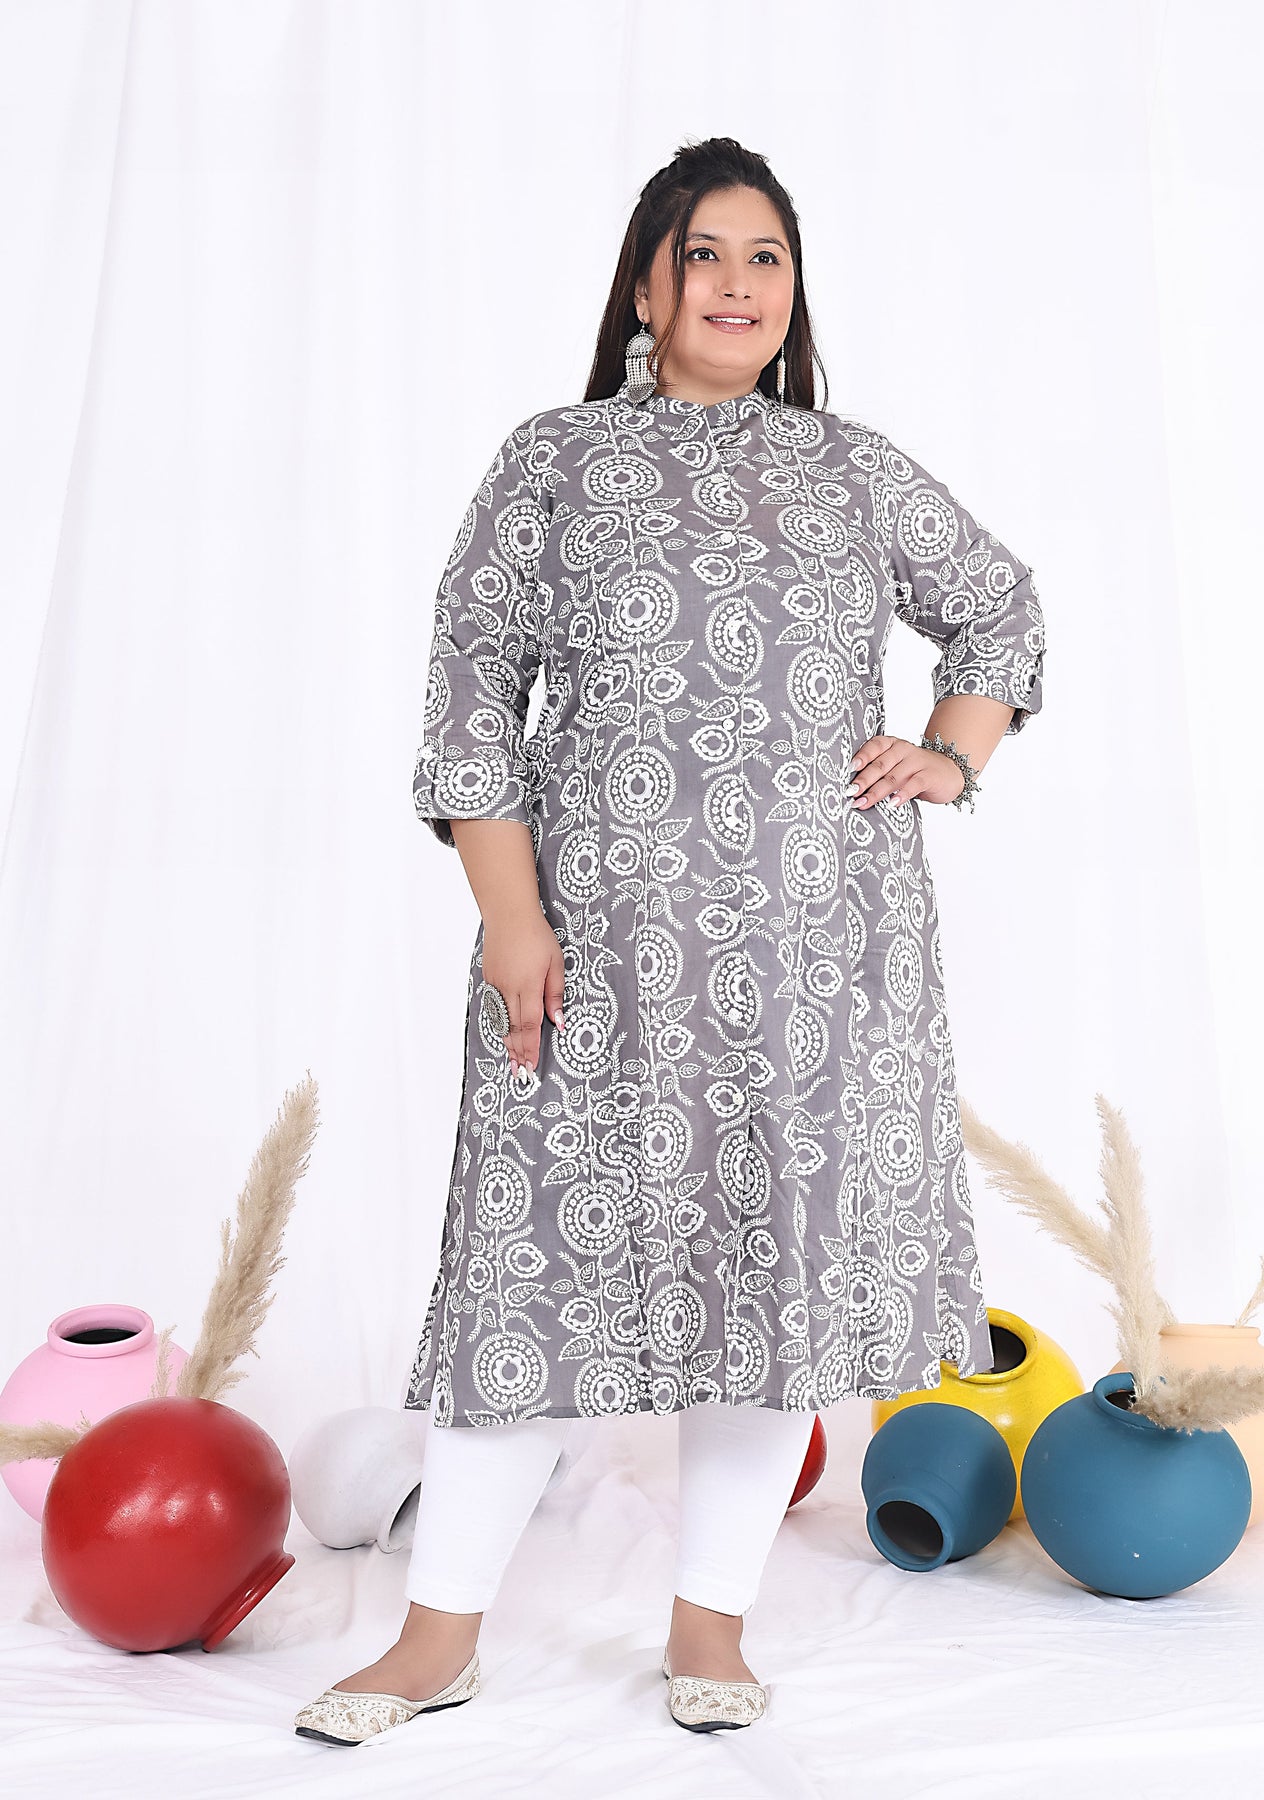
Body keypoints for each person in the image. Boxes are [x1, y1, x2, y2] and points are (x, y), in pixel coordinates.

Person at [295, 133, 1045, 1746]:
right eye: (704, 254)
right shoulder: (556, 462)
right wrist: (511, 918)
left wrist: (950, 752)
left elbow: (999, 606)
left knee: (771, 1285)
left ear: (794, 289)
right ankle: (437, 1639)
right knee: (526, 1278)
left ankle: (711, 1621)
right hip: (594, 961)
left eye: (767, 256)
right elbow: (470, 695)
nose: (737, 284)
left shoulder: (851, 470)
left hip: (817, 962)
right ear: (647, 286)